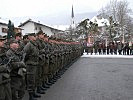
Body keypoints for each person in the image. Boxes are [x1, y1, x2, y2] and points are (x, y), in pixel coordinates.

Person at [23, 33, 40, 100]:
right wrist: (28, 62)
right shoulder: (28, 45)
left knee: (34, 79)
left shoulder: (34, 44)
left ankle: (33, 93)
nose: (35, 37)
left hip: (34, 64)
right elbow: (25, 56)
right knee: (30, 80)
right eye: (34, 36)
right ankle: (30, 96)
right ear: (30, 37)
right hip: (30, 65)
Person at [0, 35, 12, 100]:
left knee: (8, 96)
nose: (3, 42)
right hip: (1, 81)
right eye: (1, 41)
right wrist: (3, 67)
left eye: (2, 40)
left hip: (6, 78)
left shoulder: (3, 51)